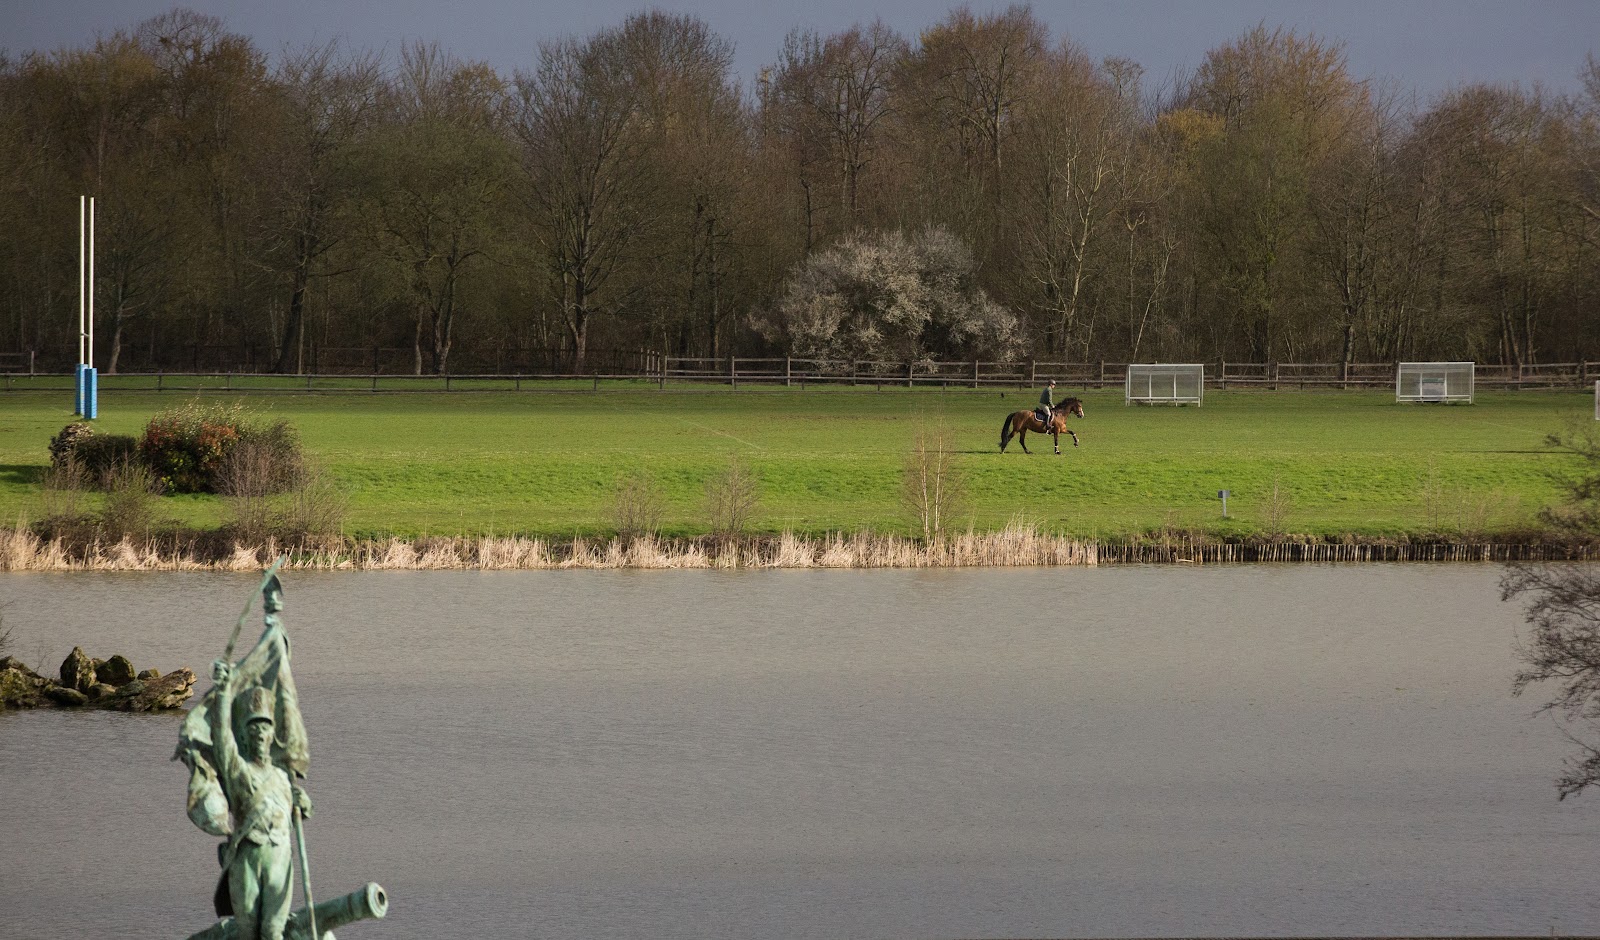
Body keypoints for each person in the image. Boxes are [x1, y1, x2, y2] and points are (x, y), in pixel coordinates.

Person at [210, 661, 312, 940]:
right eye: (252, 729)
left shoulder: (283, 778)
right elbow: (222, 739)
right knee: (247, 929)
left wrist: (302, 803)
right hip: (247, 856)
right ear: (243, 736)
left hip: (279, 855)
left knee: (272, 930)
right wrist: (223, 692)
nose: (258, 734)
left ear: (271, 736)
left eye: (264, 729)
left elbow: (296, 814)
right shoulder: (239, 771)